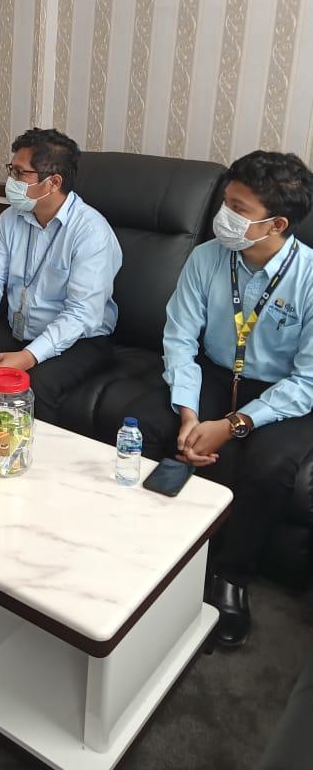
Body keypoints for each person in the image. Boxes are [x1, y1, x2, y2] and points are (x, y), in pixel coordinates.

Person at [127, 150, 313, 647]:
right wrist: (190, 414)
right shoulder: (207, 257)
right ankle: (149, 549)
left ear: (277, 224)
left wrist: (232, 426)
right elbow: (179, 338)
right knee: (147, 422)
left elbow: (307, 381)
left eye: (238, 208)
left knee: (269, 466)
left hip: (283, 392)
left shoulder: (310, 277)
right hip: (213, 373)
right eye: (225, 202)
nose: (223, 215)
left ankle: (231, 575)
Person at [0, 128, 122, 422]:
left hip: (80, 340)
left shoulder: (91, 232)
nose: (11, 181)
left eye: (20, 173)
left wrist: (27, 357)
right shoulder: (10, 219)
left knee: (34, 386)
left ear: (53, 182)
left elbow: (81, 315)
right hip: (21, 328)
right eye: (11, 170)